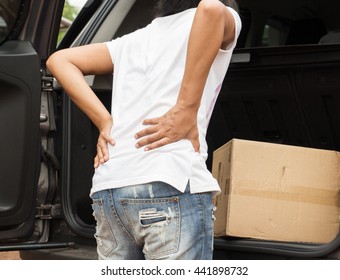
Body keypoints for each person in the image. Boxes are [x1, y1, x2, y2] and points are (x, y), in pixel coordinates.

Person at [47, 0, 241, 260]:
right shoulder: (223, 15)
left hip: (111, 190)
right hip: (168, 182)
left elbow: (59, 60)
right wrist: (186, 108)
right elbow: (211, 9)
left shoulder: (133, 40)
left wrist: (105, 122)